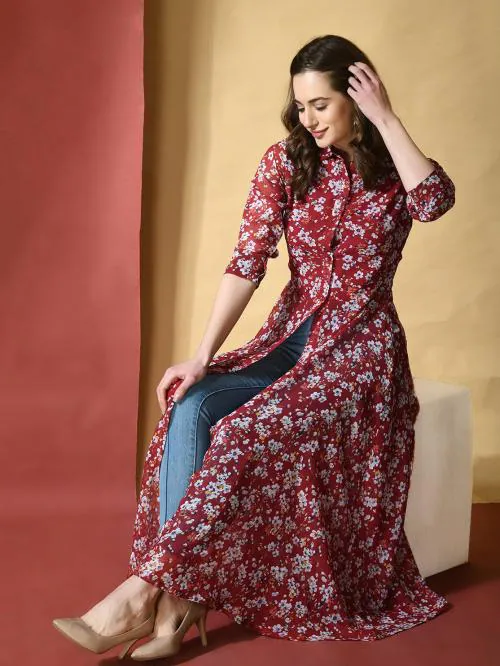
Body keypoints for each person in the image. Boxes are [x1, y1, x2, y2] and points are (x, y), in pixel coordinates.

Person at [52, 34, 456, 658]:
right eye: (301, 105)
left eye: (321, 104)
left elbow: (433, 203)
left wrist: (386, 119)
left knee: (243, 431)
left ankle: (145, 594)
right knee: (190, 406)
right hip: (290, 337)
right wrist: (201, 356)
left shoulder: (394, 165)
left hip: (360, 352)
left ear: (357, 96)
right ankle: (180, 604)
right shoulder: (286, 162)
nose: (308, 118)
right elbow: (247, 262)